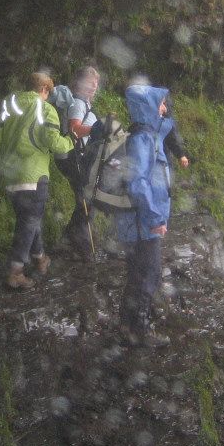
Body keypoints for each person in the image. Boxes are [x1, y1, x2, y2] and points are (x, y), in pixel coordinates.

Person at [0, 72, 75, 289]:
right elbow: (54, 143)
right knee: (28, 223)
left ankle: (40, 258)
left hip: (10, 178)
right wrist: (71, 140)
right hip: (34, 177)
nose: (48, 96)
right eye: (48, 92)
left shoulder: (9, 104)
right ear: (44, 89)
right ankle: (16, 272)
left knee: (29, 220)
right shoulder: (46, 109)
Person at [116, 83, 173, 347]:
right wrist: (154, 219)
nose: (164, 107)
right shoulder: (142, 139)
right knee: (148, 274)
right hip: (142, 224)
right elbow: (138, 183)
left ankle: (127, 324)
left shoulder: (148, 136)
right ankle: (140, 331)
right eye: (160, 103)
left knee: (138, 273)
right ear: (148, 107)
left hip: (138, 223)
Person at [59, 66, 102, 254]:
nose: (94, 86)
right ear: (79, 83)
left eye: (96, 83)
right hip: (73, 157)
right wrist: (97, 130)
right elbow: (74, 129)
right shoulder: (77, 103)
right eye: (90, 82)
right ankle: (80, 244)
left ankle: (71, 238)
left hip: (76, 156)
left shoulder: (84, 103)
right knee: (86, 200)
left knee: (85, 199)